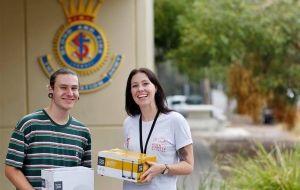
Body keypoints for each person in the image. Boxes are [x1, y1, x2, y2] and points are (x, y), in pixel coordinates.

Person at [4, 68, 91, 190]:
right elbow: (11, 169)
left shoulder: (83, 132)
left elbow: (84, 176)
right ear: (51, 89)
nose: (70, 93)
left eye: (74, 88)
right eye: (63, 87)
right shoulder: (28, 124)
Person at [123, 68, 194, 190]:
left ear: (155, 87)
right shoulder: (128, 122)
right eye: (135, 86)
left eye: (145, 83)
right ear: (130, 92)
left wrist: (163, 168)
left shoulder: (175, 120)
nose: (140, 89)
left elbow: (188, 166)